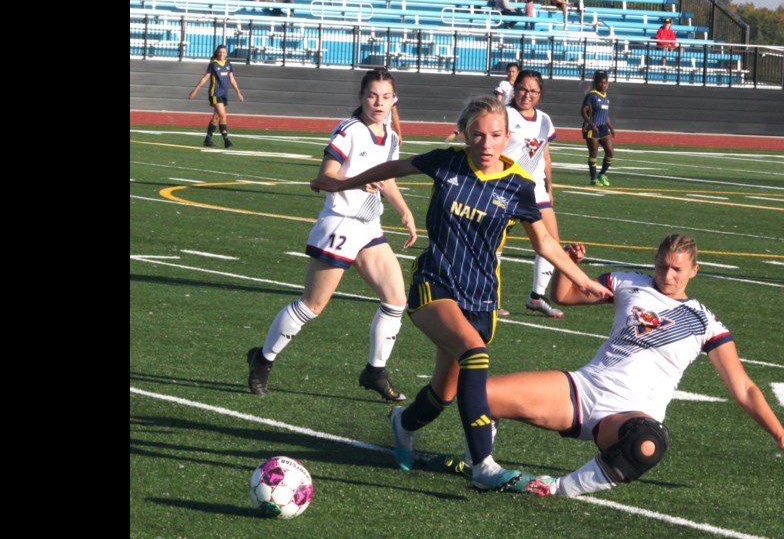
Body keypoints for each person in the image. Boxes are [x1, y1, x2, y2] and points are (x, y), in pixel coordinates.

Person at [310, 95, 612, 492]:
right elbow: (393, 168)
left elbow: (546, 244)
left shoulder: (519, 185)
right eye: (478, 135)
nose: (486, 144)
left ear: (508, 137)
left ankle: (402, 423)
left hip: (481, 296)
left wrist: (586, 281)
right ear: (466, 135)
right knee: (475, 354)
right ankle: (483, 465)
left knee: (444, 393)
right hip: (434, 283)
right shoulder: (446, 161)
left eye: (496, 135)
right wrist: (342, 181)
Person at [437, 235, 784, 497]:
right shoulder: (627, 283)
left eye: (677, 269)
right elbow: (566, 296)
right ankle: (480, 463)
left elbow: (743, 387)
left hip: (629, 414)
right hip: (582, 389)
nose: (668, 275)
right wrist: (565, 266)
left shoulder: (705, 322)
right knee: (478, 395)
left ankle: (555, 488)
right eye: (663, 266)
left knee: (646, 445)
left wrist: (780, 434)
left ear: (694, 271)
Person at [245, 69, 418, 402]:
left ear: (394, 100)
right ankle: (262, 359)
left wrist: (404, 211)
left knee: (396, 300)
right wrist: (353, 182)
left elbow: (388, 178)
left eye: (385, 97)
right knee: (313, 305)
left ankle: (375, 371)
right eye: (372, 95)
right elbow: (323, 177)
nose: (378, 103)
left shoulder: (392, 136)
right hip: (340, 223)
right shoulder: (349, 129)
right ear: (361, 97)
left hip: (369, 226)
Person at [503, 70, 564, 319]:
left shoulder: (545, 120)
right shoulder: (503, 114)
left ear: (540, 95)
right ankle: (486, 298)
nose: (527, 95)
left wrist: (550, 187)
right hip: (505, 187)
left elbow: (545, 156)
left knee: (550, 244)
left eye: (533, 91)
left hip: (535, 189)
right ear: (514, 88)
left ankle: (536, 297)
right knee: (493, 245)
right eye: (523, 89)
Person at [188, 45, 244, 148]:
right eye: (220, 52)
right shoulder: (213, 64)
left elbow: (232, 79)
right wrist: (195, 90)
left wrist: (238, 93)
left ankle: (207, 140)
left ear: (226, 53)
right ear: (217, 53)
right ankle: (226, 140)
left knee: (216, 117)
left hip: (224, 93)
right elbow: (205, 78)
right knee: (223, 116)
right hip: (215, 93)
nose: (221, 54)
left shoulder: (228, 64)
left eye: (223, 52)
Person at [581, 70, 616, 186]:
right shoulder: (591, 95)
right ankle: (594, 179)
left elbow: (605, 116)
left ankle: (602, 174)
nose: (603, 85)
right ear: (597, 83)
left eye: (605, 83)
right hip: (592, 128)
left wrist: (611, 128)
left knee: (610, 152)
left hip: (603, 128)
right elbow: (583, 111)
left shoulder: (606, 98)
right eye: (601, 83)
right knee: (593, 154)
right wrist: (591, 124)